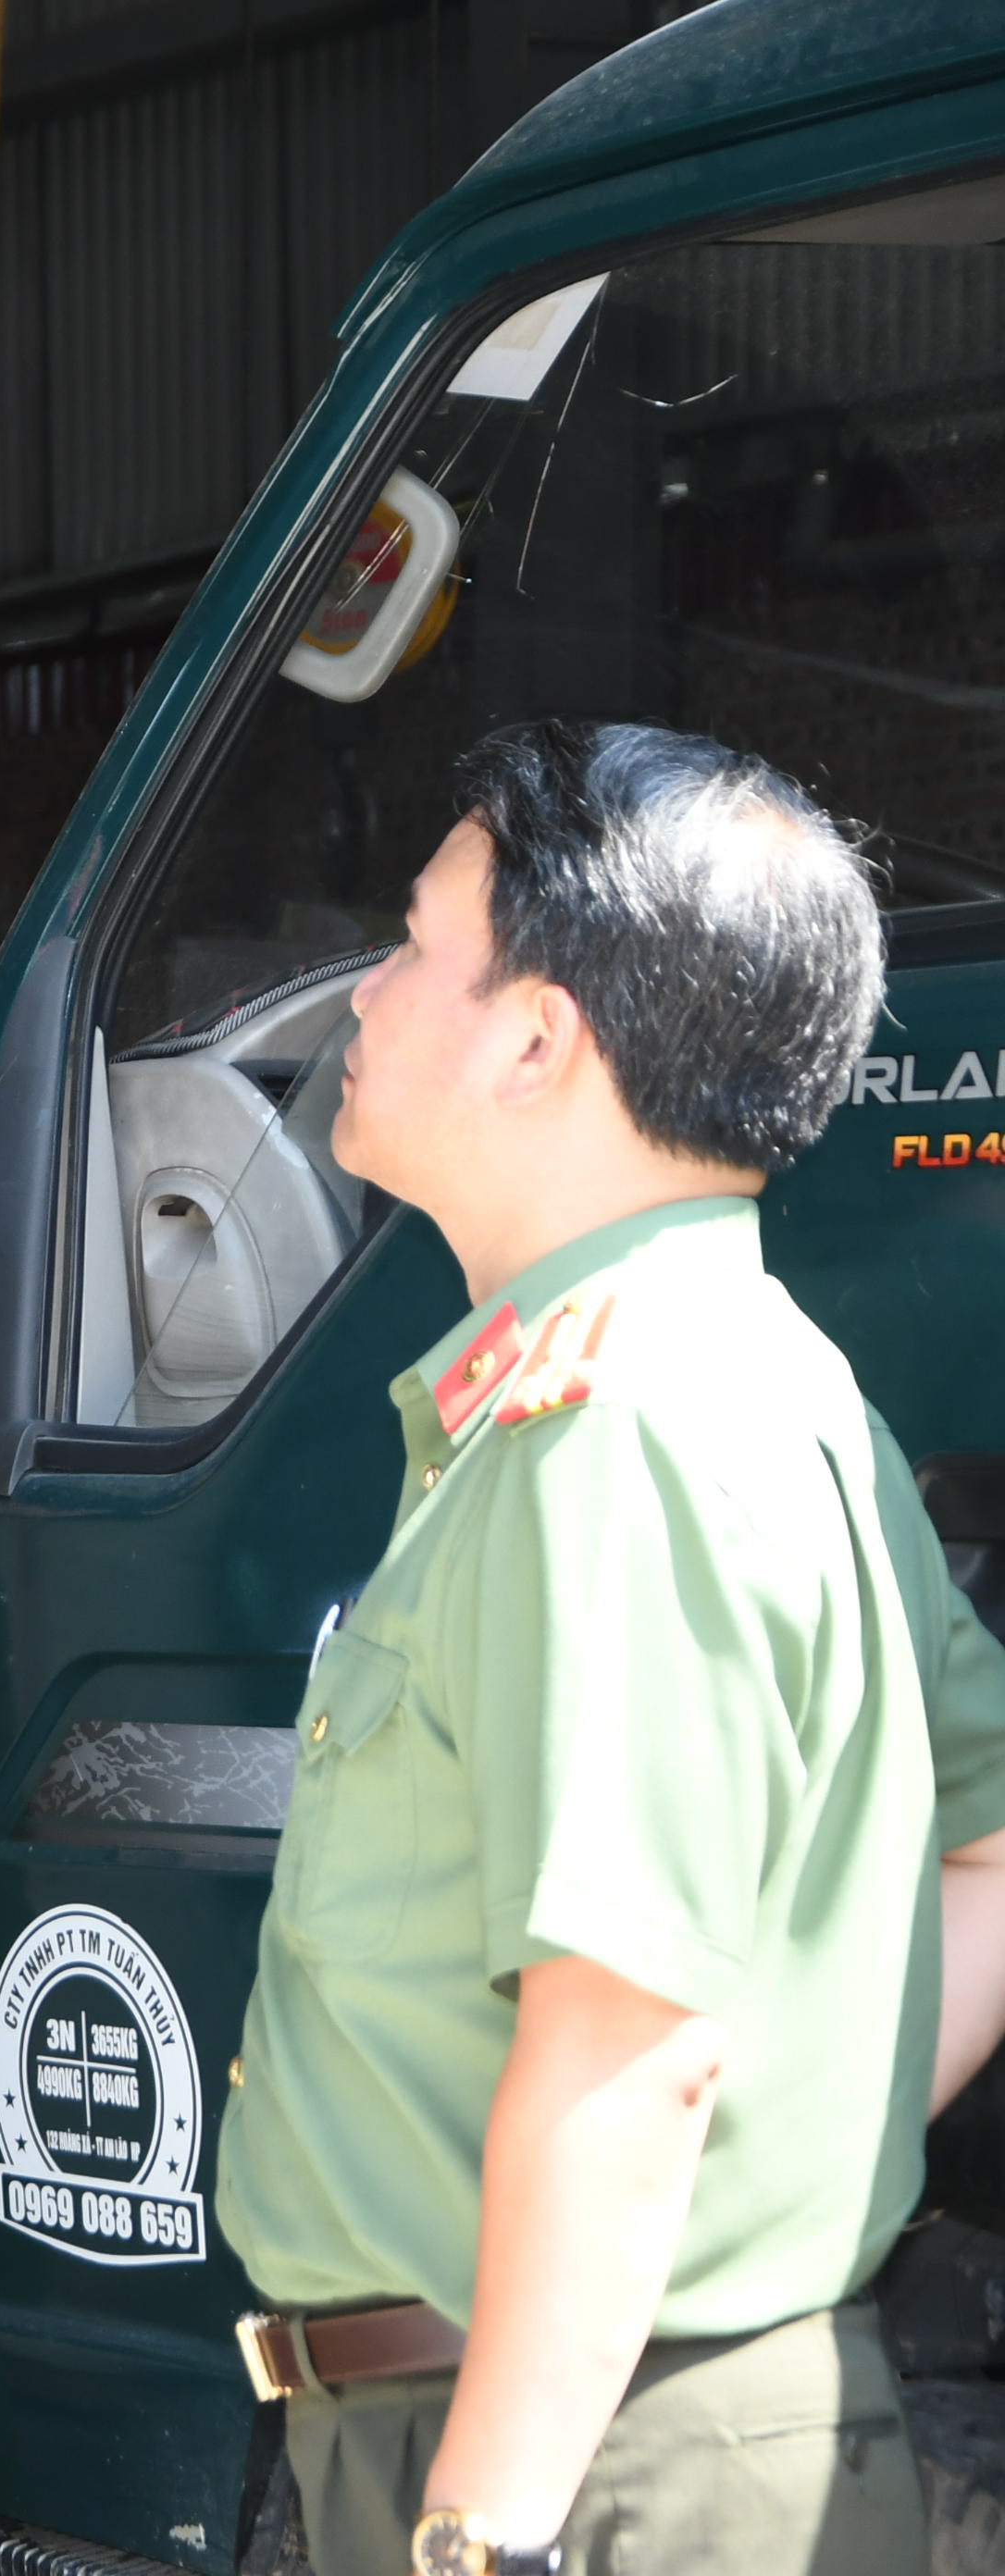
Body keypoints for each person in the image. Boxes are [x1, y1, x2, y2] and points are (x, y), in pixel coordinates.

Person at [213, 719, 1005, 2576]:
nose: (364, 999)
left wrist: (482, 2532)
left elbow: (626, 2053)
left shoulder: (621, 1425)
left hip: (574, 2461)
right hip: (608, 2415)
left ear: (538, 1038)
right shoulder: (748, 1379)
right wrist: (801, 2108)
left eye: (411, 945)